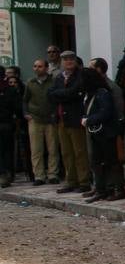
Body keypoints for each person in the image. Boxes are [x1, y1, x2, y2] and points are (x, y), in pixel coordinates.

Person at [48, 50, 90, 193]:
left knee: (79, 151)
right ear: (61, 62)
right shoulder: (59, 77)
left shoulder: (80, 75)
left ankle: (84, 181)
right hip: (61, 119)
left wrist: (61, 94)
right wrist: (64, 94)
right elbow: (50, 94)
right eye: (65, 59)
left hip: (75, 118)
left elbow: (75, 92)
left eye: (71, 59)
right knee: (66, 152)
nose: (68, 62)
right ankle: (71, 180)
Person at [79, 67, 123, 201]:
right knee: (96, 161)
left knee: (112, 162)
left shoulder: (102, 93)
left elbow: (106, 112)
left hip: (106, 132)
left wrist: (89, 120)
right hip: (96, 132)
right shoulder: (90, 93)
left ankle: (118, 189)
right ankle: (101, 189)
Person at [24, 56, 57, 185]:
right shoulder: (30, 83)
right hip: (35, 118)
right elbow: (25, 100)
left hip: (50, 119)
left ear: (46, 68)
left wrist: (55, 114)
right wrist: (26, 113)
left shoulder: (53, 82)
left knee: (52, 148)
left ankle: (53, 174)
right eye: (35, 66)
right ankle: (39, 176)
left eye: (40, 66)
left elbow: (56, 99)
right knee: (36, 149)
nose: (37, 69)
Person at [0, 64, 21, 187]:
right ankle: (8, 174)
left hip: (5, 123)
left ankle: (3, 174)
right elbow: (17, 108)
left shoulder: (9, 90)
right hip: (7, 123)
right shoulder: (11, 90)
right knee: (8, 150)